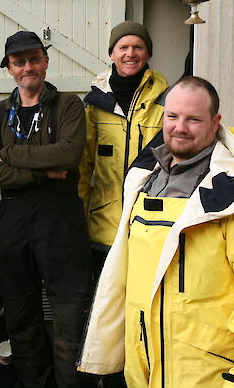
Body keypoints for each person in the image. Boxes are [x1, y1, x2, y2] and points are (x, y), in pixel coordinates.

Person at [78, 76, 234, 388]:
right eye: (173, 116)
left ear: (215, 122)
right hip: (143, 368)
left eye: (193, 119)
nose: (180, 127)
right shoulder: (143, 179)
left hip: (208, 374)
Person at [0, 30, 95, 388]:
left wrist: (9, 155)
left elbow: (69, 154)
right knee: (23, 324)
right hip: (13, 229)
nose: (28, 67)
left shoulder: (69, 105)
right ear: (10, 68)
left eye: (34, 59)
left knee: (70, 323)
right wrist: (45, 172)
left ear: (45, 61)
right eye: (19, 61)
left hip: (62, 227)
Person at [79, 21, 169, 277]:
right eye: (123, 47)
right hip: (104, 226)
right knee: (105, 305)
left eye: (138, 47)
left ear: (148, 53)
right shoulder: (95, 103)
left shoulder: (167, 100)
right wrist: (77, 218)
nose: (131, 53)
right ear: (112, 54)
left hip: (149, 223)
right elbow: (83, 167)